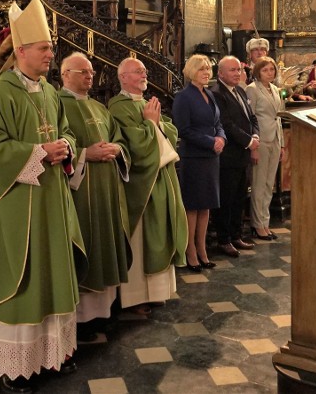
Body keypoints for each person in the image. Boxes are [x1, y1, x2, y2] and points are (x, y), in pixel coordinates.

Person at [0, 0, 84, 393]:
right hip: (15, 205)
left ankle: (48, 355)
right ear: (22, 50)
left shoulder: (48, 92)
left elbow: (67, 132)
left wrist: (65, 145)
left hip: (50, 201)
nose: (51, 54)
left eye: (51, 47)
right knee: (21, 276)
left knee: (49, 276)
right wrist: (37, 153)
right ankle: (10, 367)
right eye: (45, 48)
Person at [59, 52, 130, 334]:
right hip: (80, 191)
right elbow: (55, 143)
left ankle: (105, 310)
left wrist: (117, 149)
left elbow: (119, 138)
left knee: (104, 241)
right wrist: (84, 154)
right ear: (65, 74)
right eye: (83, 72)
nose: (90, 77)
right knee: (85, 244)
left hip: (105, 188)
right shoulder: (57, 104)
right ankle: (81, 318)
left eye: (91, 72)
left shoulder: (100, 108)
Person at [109, 57, 187, 314]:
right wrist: (152, 124)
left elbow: (172, 133)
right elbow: (135, 143)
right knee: (143, 237)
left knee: (161, 232)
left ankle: (159, 292)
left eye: (144, 71)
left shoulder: (146, 103)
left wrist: (154, 124)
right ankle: (136, 297)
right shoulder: (117, 107)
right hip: (142, 184)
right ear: (123, 77)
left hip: (162, 177)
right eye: (138, 72)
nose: (144, 75)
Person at [172, 54, 225, 271]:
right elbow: (183, 130)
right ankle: (190, 251)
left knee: (206, 206)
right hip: (193, 157)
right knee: (192, 206)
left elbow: (218, 122)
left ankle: (202, 249)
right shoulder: (184, 97)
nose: (206, 72)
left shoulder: (209, 95)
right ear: (191, 71)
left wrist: (221, 138)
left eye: (208, 69)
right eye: (202, 69)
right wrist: (210, 142)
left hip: (211, 158)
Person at [212, 56, 259, 257]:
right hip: (229, 155)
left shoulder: (240, 90)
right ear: (220, 73)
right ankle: (224, 239)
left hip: (243, 155)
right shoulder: (216, 93)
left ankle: (236, 234)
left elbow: (252, 117)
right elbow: (226, 123)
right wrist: (249, 141)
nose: (237, 74)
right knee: (227, 198)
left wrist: (255, 134)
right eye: (232, 70)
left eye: (239, 70)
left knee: (240, 197)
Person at [245, 57, 284, 241]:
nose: (270, 73)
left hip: (275, 138)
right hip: (261, 139)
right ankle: (257, 224)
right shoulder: (252, 89)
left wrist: (282, 143)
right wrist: (254, 143)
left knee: (269, 184)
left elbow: (279, 118)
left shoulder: (275, 89)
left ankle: (265, 223)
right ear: (257, 72)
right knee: (259, 184)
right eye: (265, 70)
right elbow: (250, 118)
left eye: (272, 69)